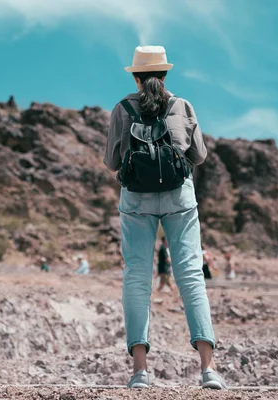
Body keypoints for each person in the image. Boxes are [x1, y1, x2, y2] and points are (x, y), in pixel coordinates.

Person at [104, 45, 228, 390]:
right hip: (179, 198)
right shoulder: (182, 106)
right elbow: (199, 156)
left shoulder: (122, 108)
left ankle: (140, 373)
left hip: (136, 203)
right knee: (190, 276)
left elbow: (112, 163)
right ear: (165, 74)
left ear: (136, 76)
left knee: (137, 279)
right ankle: (209, 370)